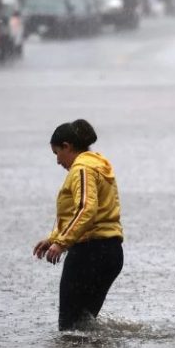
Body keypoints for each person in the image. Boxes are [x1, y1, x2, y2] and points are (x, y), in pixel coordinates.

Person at [33, 119, 124, 331]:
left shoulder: (82, 169)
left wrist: (62, 243)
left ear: (67, 146)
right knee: (84, 327)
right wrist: (54, 238)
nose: (57, 161)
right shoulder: (99, 165)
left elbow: (86, 209)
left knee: (69, 330)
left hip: (89, 254)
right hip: (110, 253)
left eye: (57, 153)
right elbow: (83, 211)